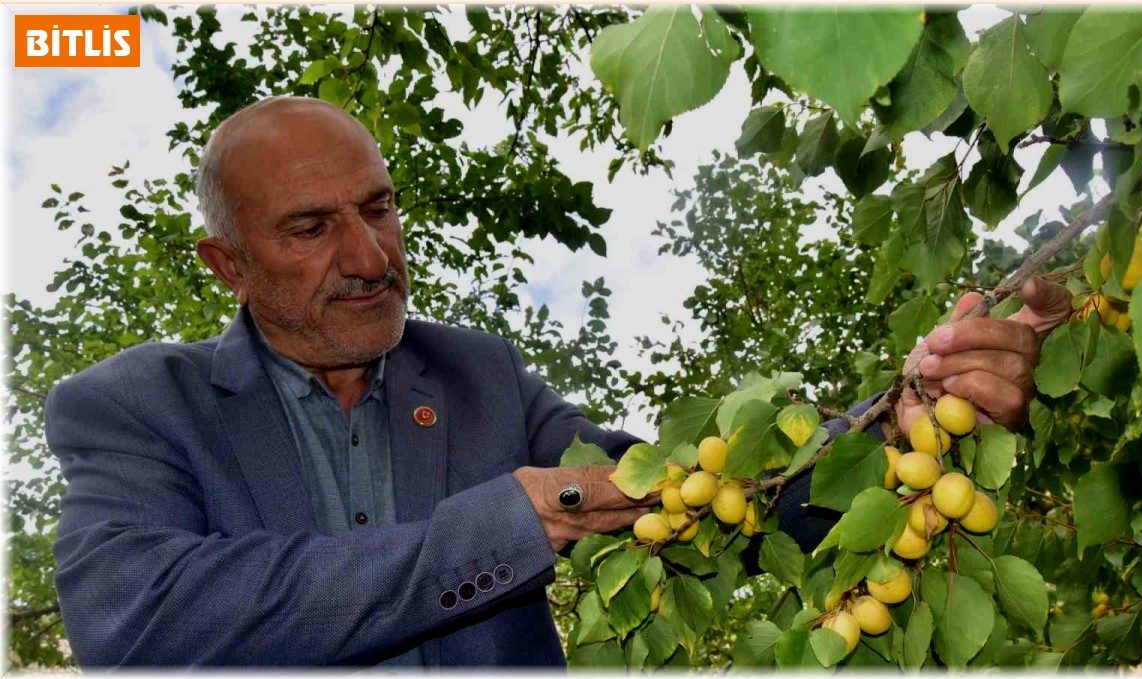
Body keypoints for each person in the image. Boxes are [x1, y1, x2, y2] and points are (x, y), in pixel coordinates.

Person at [46, 96, 1072, 667]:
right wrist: (508, 522)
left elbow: (696, 496)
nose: (370, 255)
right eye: (313, 228)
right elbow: (136, 618)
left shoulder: (481, 378)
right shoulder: (137, 406)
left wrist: (896, 430)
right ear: (225, 262)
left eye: (380, 208)